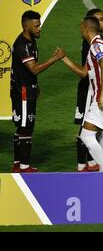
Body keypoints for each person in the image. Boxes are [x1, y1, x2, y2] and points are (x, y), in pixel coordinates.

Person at [62, 17, 103, 172]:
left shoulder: (96, 45)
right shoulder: (99, 45)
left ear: (86, 28)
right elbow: (84, 72)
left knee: (86, 136)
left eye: (81, 27)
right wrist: (64, 59)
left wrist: (101, 95)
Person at [10, 10, 65, 173]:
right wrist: (55, 58)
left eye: (39, 25)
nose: (40, 28)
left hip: (26, 89)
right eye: (36, 26)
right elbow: (33, 69)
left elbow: (25, 71)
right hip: (23, 93)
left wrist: (35, 85)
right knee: (26, 127)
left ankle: (17, 164)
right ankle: (24, 167)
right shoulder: (23, 45)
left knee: (22, 126)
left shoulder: (30, 40)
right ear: (26, 26)